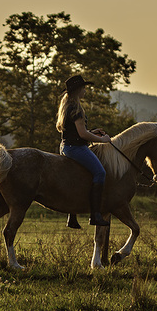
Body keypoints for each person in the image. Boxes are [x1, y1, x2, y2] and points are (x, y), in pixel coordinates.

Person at [58, 74, 111, 227]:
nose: (86, 90)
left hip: (65, 146)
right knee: (100, 173)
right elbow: (82, 134)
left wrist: (92, 132)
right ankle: (95, 215)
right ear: (78, 90)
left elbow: (75, 132)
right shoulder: (77, 109)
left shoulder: (67, 106)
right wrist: (103, 140)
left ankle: (72, 216)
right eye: (84, 88)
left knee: (79, 176)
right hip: (76, 148)